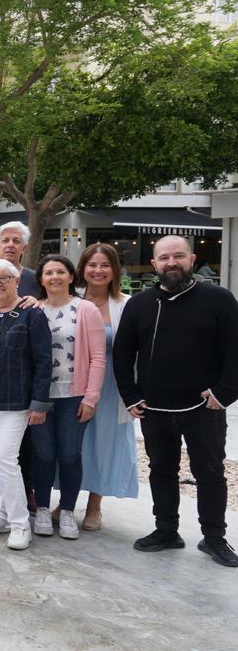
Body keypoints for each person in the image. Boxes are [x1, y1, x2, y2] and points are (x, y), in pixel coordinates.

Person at [114, 235, 238, 567]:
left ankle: (214, 538)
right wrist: (131, 395)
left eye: (178, 256)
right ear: (154, 264)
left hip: (204, 407)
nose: (171, 263)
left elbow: (235, 351)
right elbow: (123, 354)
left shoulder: (219, 299)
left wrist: (224, 394)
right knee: (161, 470)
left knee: (210, 472)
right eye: (164, 257)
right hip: (154, 408)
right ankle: (166, 530)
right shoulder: (139, 304)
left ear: (192, 259)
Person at [0, 259, 52, 552]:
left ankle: (20, 524)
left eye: (3, 278)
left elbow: (44, 361)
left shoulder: (32, 315)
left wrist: (39, 403)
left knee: (6, 458)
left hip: (15, 401)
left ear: (17, 280)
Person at [32, 255, 106, 540]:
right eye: (48, 272)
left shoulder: (85, 309)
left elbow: (99, 357)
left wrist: (91, 397)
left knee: (70, 454)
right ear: (41, 279)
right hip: (40, 397)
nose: (54, 277)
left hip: (74, 397)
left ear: (72, 276)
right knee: (43, 454)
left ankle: (66, 512)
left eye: (60, 271)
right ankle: (41, 508)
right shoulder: (34, 309)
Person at [73, 243, 138, 531]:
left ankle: (94, 505)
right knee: (74, 442)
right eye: (92, 265)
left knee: (104, 443)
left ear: (114, 270)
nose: (98, 271)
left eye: (104, 265)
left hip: (112, 383)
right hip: (74, 379)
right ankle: (66, 503)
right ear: (82, 269)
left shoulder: (126, 304)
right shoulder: (69, 298)